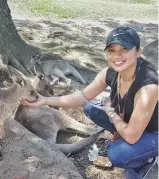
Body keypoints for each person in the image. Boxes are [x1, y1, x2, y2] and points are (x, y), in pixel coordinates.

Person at [21, 27, 158, 179]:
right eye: (111, 50)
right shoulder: (111, 72)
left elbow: (132, 136)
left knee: (116, 155)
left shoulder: (148, 87)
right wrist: (45, 100)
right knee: (90, 108)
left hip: (152, 132)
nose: (117, 56)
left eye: (124, 49)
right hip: (127, 120)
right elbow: (82, 97)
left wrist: (111, 112)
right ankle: (126, 141)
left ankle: (145, 160)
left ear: (138, 51)